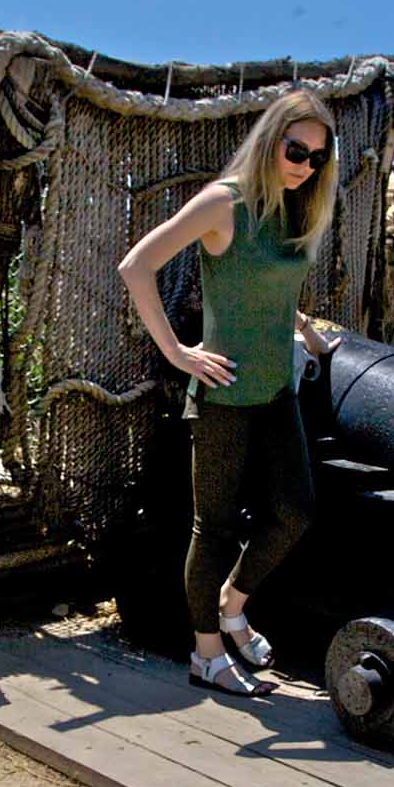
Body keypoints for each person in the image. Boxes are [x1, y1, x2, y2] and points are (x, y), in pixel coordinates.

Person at [117, 89, 341, 697]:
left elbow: (266, 286)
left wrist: (306, 331)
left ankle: (233, 605)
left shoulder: (290, 209)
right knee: (213, 528)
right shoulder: (224, 202)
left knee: (295, 512)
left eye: (318, 157)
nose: (305, 166)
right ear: (271, 141)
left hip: (276, 390)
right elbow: (137, 266)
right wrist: (177, 352)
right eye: (296, 151)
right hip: (223, 395)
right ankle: (207, 654)